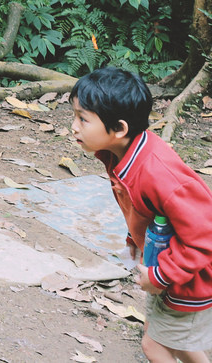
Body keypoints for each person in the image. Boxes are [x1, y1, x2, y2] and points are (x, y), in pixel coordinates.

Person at [70, 66, 212, 362]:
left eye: (83, 119)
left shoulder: (158, 173)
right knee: (168, 337)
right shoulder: (122, 153)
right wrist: (135, 238)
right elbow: (147, 208)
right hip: (168, 268)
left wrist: (161, 275)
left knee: (154, 346)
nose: (74, 126)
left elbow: (205, 236)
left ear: (119, 129)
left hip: (188, 278)